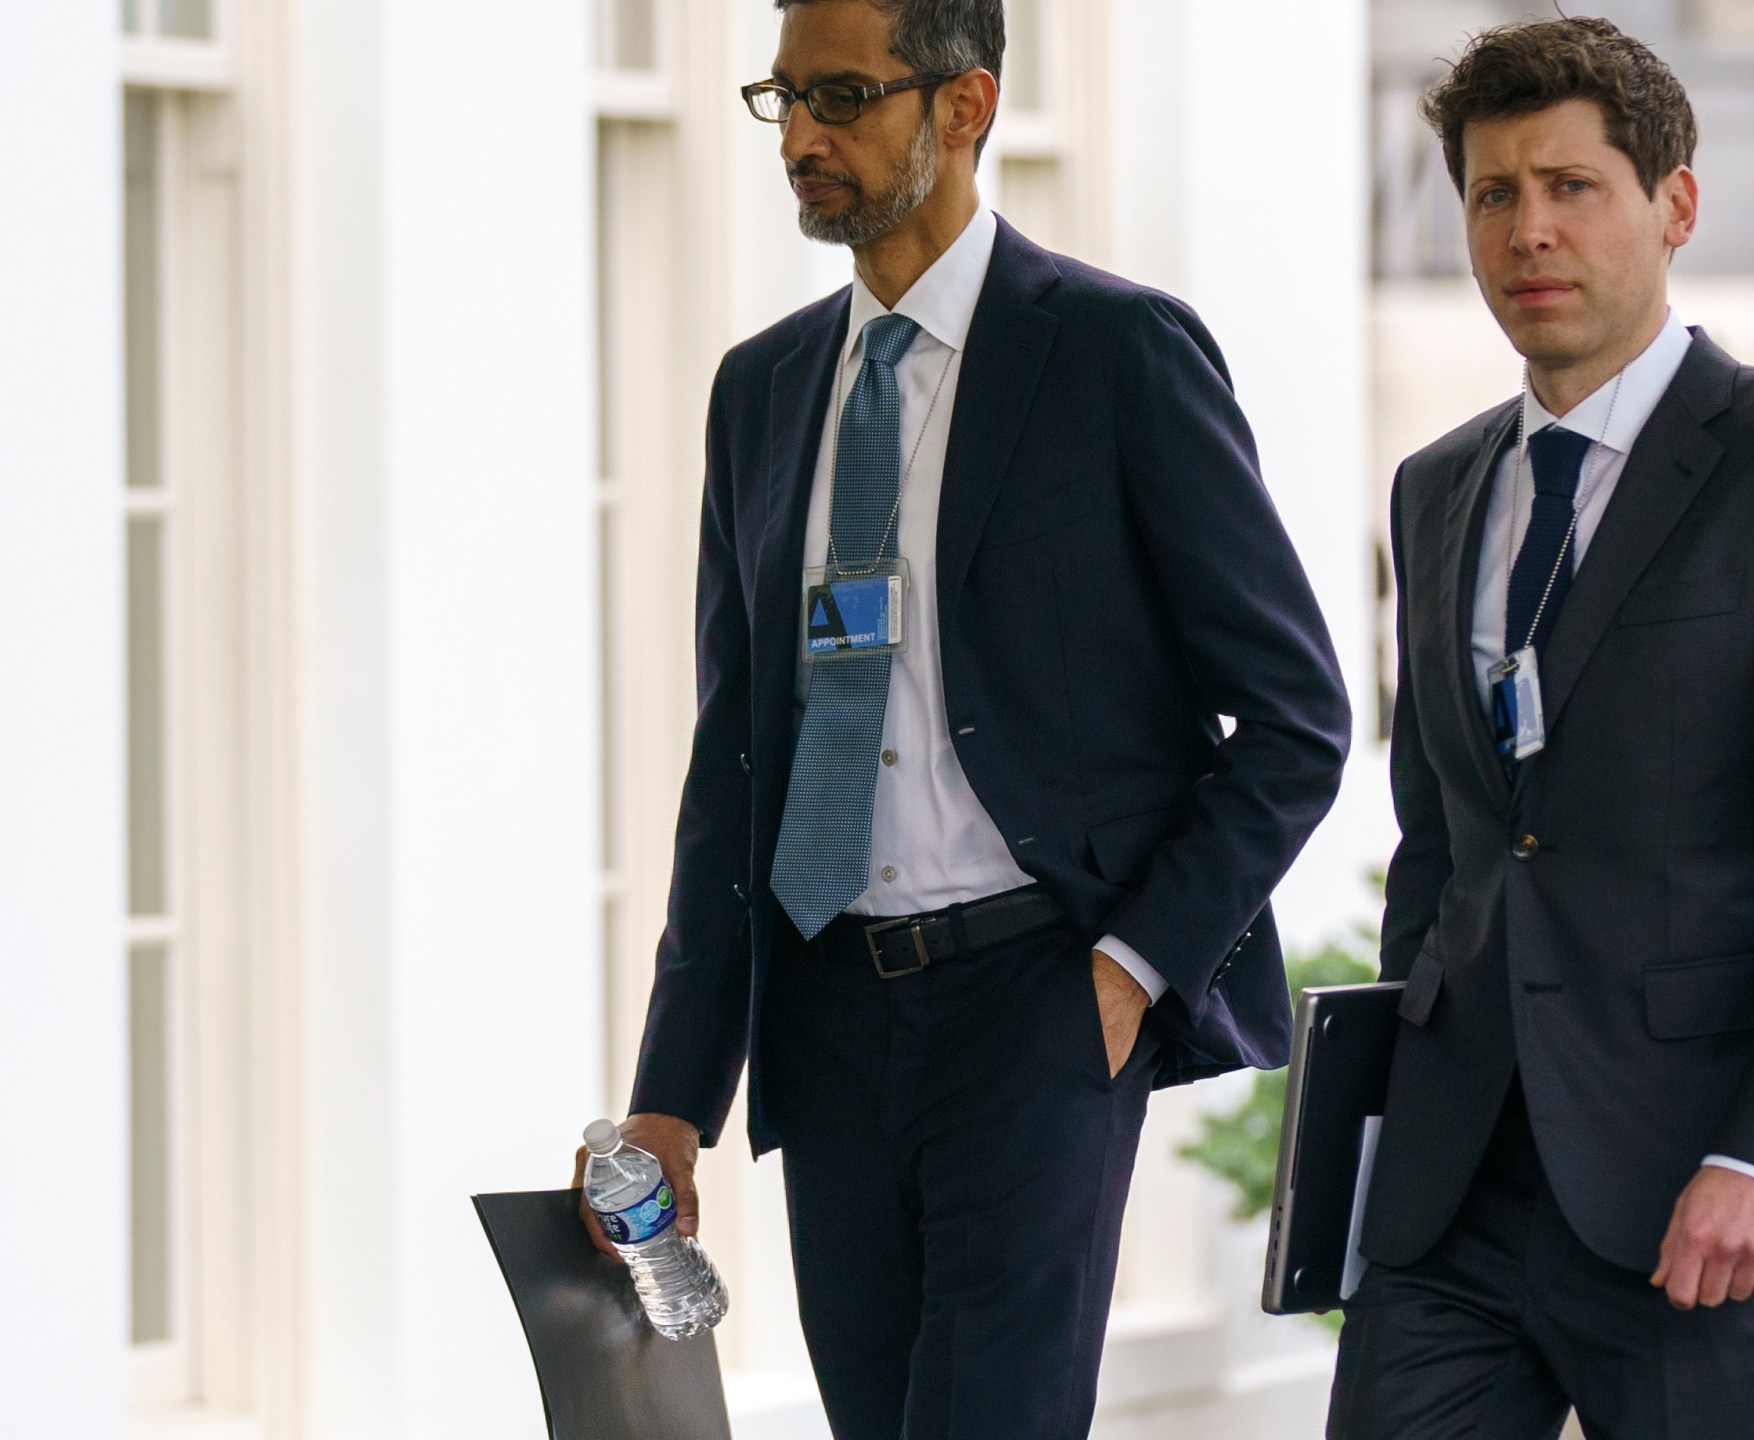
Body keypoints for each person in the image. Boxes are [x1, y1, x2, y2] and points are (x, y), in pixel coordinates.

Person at [576, 2, 1352, 1436]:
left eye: (843, 98)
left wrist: (1131, 967)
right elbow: (734, 762)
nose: (802, 139)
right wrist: (674, 1093)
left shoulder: (1116, 352)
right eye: (784, 99)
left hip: (1035, 1005)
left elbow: (1297, 718)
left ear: (966, 104)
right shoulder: (760, 392)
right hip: (827, 1018)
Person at [1329, 18, 1754, 1439]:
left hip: (1697, 1191)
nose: (1529, 232)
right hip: (1453, 1204)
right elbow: (1443, 845)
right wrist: (1387, 1132)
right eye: (1494, 194)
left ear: (1676, 205)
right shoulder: (1436, 489)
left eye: (1573, 187)